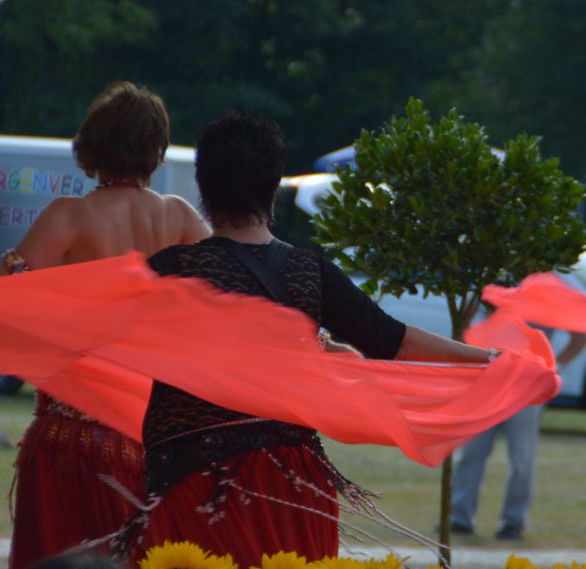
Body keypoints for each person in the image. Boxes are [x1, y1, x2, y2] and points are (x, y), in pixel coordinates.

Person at [130, 111, 498, 565]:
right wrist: (491, 359)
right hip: (294, 488)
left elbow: (107, 335)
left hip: (197, 485)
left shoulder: (169, 271)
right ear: (273, 187)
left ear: (203, 187)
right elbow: (395, 340)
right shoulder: (311, 272)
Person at [5, 82, 211, 569]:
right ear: (156, 150)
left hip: (69, 441)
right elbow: (240, 294)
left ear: (91, 143)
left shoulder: (71, 216)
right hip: (150, 444)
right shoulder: (180, 217)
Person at [450, 331, 586, 540]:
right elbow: (466, 325)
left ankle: (513, 522)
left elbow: (582, 335)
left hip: (527, 384)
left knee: (522, 458)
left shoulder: (542, 309)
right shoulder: (491, 307)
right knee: (471, 452)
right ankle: (459, 518)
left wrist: (557, 365)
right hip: (488, 380)